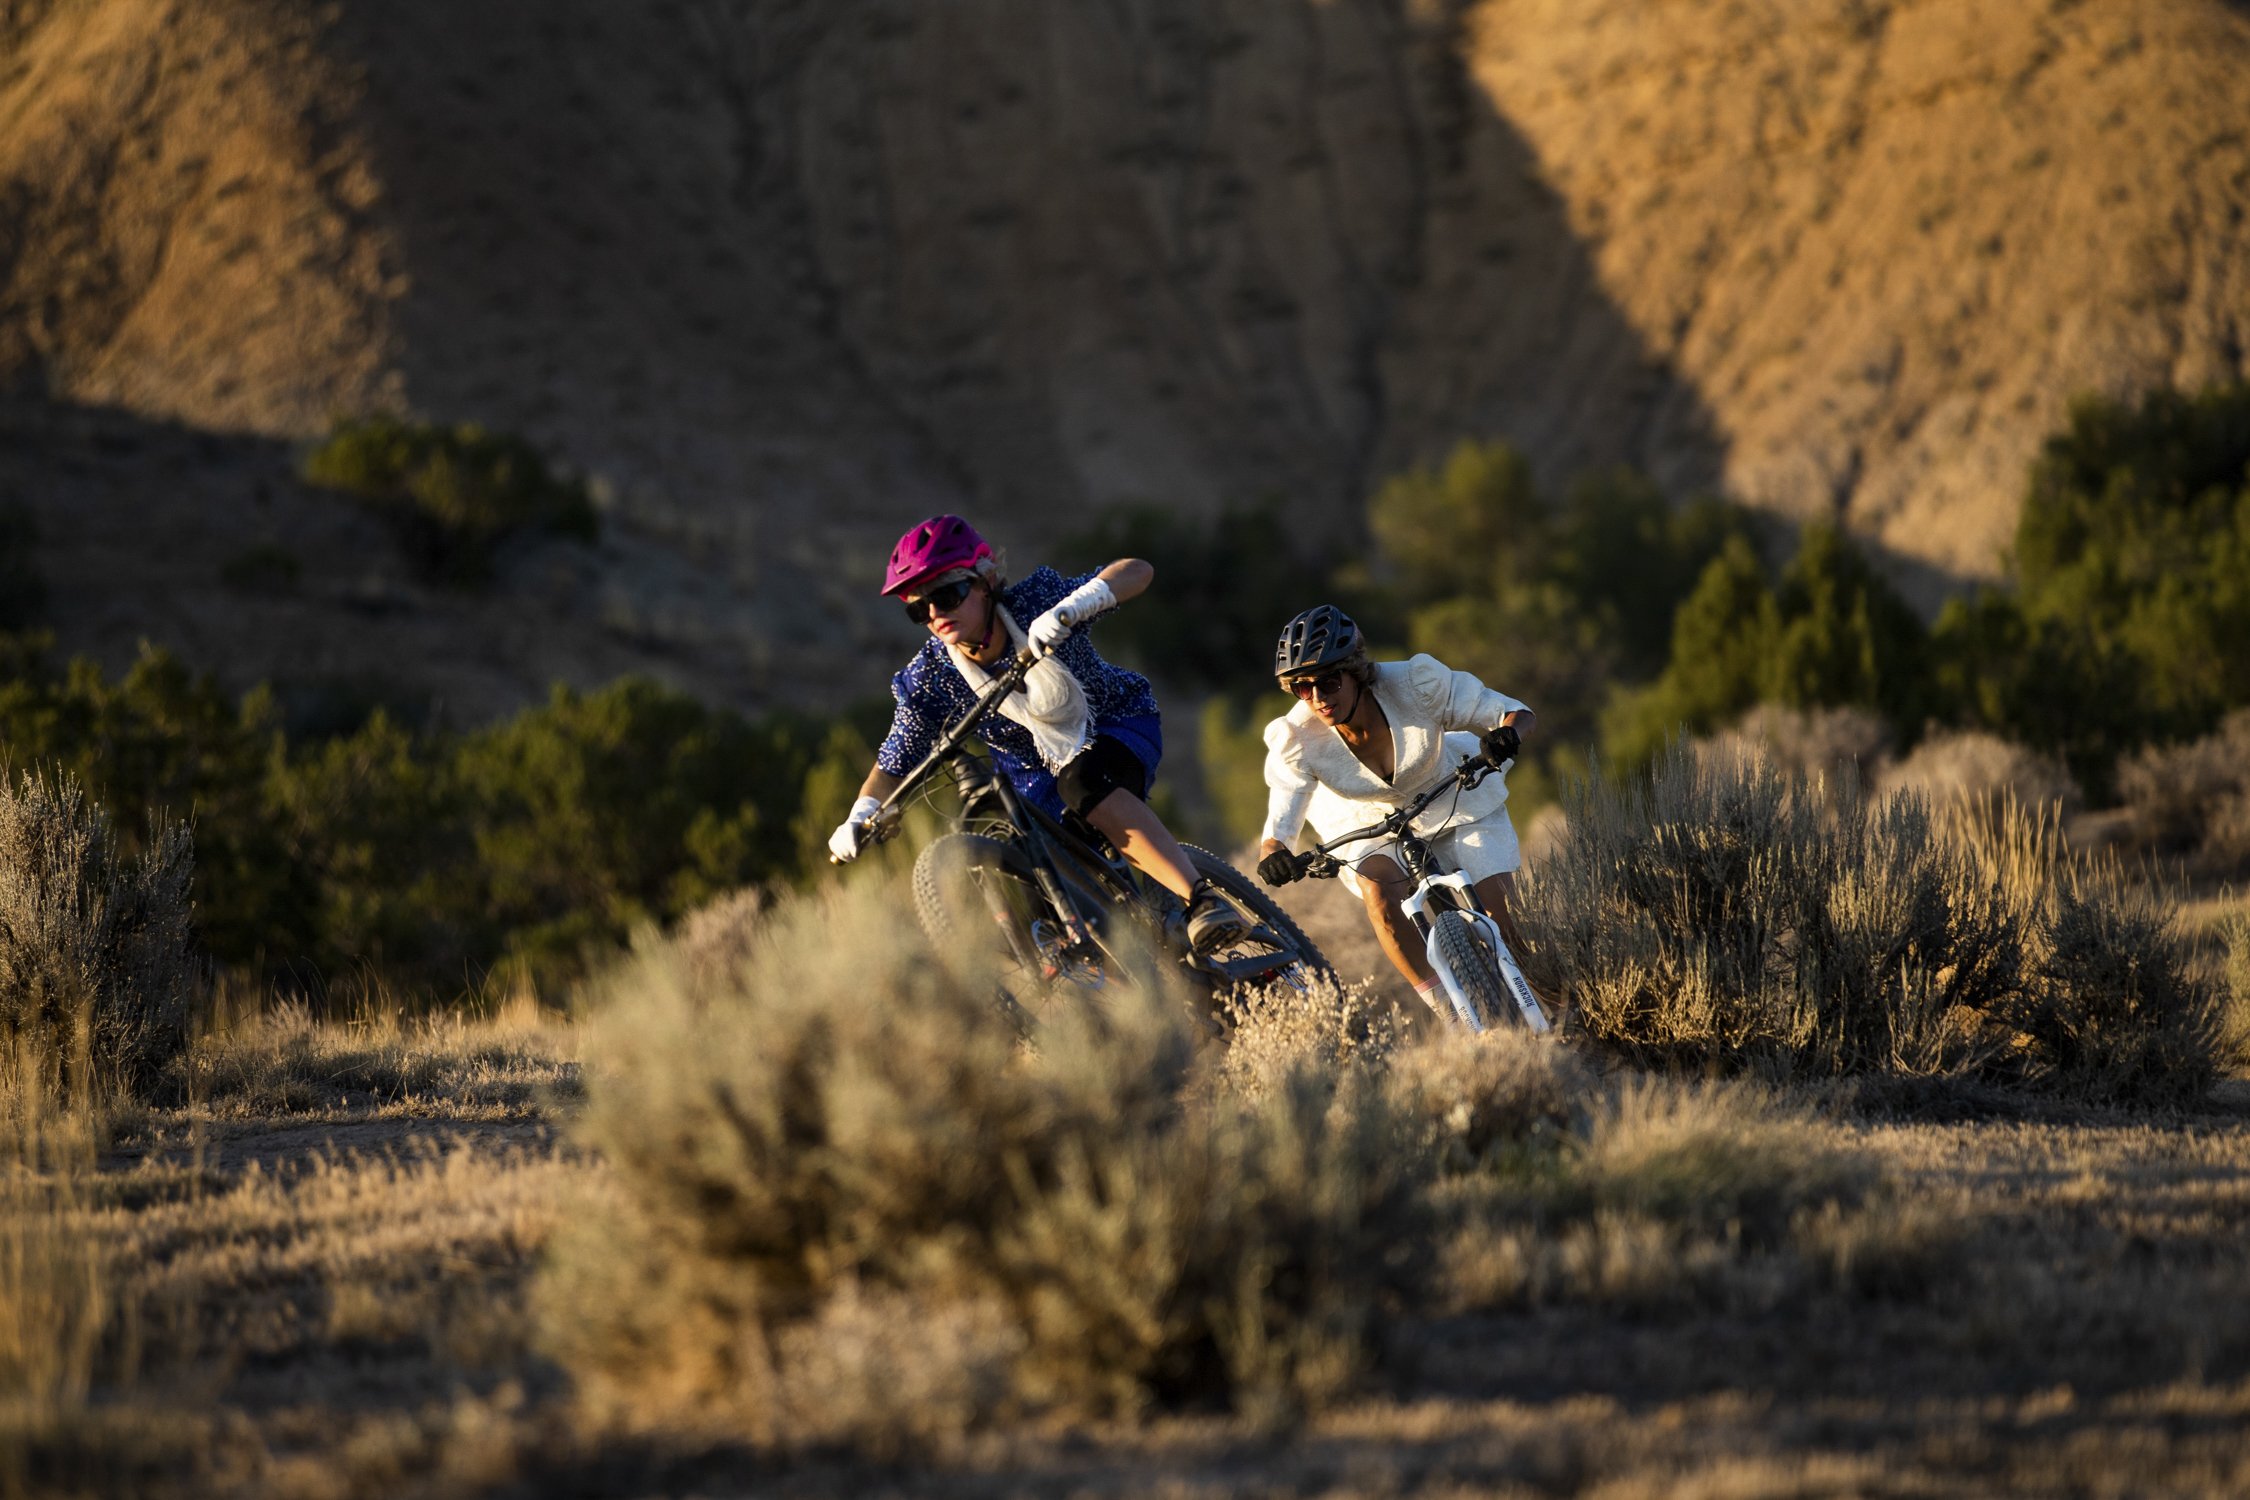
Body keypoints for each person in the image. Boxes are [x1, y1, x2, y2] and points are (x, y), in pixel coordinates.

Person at [828, 514, 1248, 952]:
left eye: (947, 596)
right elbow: (893, 763)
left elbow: (1138, 571)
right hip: (1037, 787)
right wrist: (861, 812)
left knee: (1082, 782)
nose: (935, 615)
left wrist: (1075, 607)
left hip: (1117, 724)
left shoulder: (1035, 603)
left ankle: (1203, 900)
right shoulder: (932, 678)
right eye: (919, 609)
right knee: (1032, 880)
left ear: (985, 582)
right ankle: (1129, 977)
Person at [1253, 603, 1540, 1017]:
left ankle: (1557, 1009)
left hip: (1453, 795)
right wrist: (1275, 852)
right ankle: (1448, 1010)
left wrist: (1506, 735)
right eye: (1302, 688)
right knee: (1378, 891)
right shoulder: (1296, 736)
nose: (1317, 698)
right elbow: (1281, 818)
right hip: (1371, 821)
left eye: (1329, 682)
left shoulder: (1416, 683)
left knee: (1502, 922)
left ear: (1356, 671)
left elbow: (1517, 714)